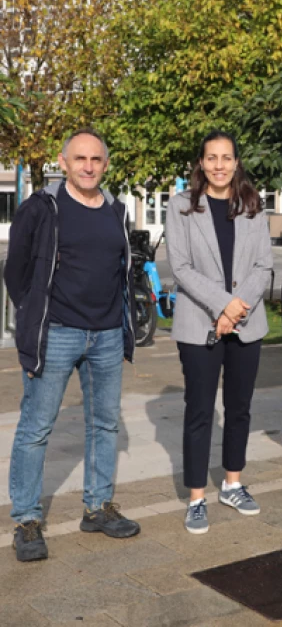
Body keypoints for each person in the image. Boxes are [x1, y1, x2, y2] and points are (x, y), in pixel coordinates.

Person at [5, 128, 140, 562]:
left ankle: (97, 508)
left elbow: (121, 269)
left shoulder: (116, 211)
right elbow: (16, 271)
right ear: (63, 163)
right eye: (79, 159)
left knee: (104, 425)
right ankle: (26, 520)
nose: (87, 166)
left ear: (104, 164)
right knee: (35, 428)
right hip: (57, 332)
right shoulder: (42, 208)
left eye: (96, 160)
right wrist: (32, 318)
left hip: (104, 335)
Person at [166, 130, 272, 534]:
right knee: (199, 411)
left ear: (236, 162)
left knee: (239, 408)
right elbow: (181, 268)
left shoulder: (252, 205)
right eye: (212, 158)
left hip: (246, 323)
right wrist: (222, 305)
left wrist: (237, 307)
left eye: (226, 158)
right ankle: (196, 497)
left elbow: (263, 266)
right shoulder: (181, 207)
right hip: (200, 324)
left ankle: (232, 483)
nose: (219, 165)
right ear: (201, 162)